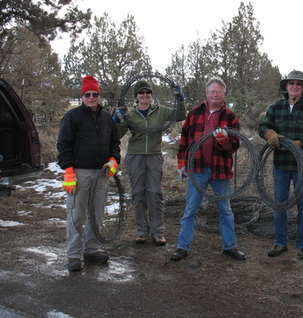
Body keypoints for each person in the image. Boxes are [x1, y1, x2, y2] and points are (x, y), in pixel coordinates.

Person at [170, 76, 246, 261]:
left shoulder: (230, 117)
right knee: (190, 209)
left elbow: (233, 147)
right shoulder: (194, 113)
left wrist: (223, 140)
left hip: (220, 170)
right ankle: (182, 247)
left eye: (218, 92)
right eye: (212, 91)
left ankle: (230, 246)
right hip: (197, 170)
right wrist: (182, 165)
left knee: (225, 210)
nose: (215, 95)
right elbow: (184, 141)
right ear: (206, 93)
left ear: (224, 94)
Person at [57, 75, 121, 272]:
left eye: (95, 94)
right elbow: (63, 145)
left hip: (101, 173)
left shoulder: (106, 118)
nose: (91, 97)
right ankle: (73, 255)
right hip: (79, 173)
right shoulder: (72, 117)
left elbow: (115, 143)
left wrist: (114, 160)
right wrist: (69, 171)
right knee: (76, 214)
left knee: (96, 213)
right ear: (82, 96)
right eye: (87, 94)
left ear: (99, 96)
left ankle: (91, 250)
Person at [114, 80, 187, 246]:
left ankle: (158, 232)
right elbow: (117, 134)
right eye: (141, 93)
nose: (145, 95)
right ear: (136, 97)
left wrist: (180, 99)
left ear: (151, 95)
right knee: (138, 193)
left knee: (154, 193)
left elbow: (180, 115)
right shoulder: (130, 114)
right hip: (135, 156)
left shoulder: (160, 111)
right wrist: (117, 119)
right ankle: (142, 231)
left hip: (153, 156)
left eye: (148, 92)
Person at [258, 70, 303, 259]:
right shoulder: (276, 106)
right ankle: (280, 242)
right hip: (281, 165)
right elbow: (262, 126)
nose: (294, 86)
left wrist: (299, 145)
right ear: (286, 86)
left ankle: (302, 245)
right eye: (291, 83)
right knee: (280, 204)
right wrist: (270, 135)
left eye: (298, 84)